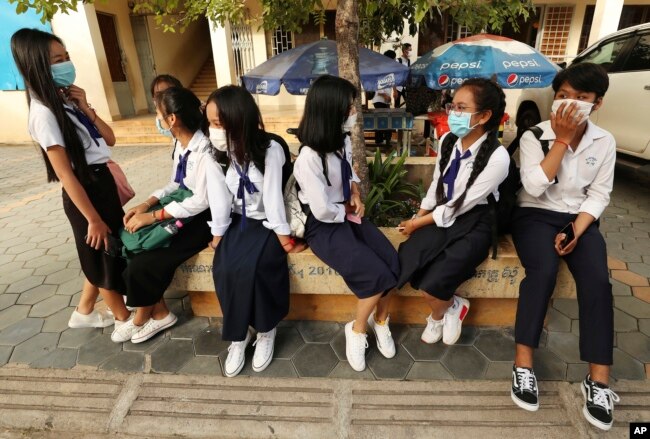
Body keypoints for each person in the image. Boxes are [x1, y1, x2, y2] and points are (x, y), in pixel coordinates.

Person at [510, 63, 618, 431]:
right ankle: (523, 365)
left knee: (598, 283)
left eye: (581, 98)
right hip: (535, 216)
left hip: (580, 218)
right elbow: (535, 187)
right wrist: (560, 140)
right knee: (542, 271)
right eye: (563, 96)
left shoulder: (604, 142)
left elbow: (600, 194)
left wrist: (577, 228)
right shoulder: (533, 136)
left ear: (597, 103)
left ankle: (599, 381)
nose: (570, 104)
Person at [10, 28, 131, 333]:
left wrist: (85, 107)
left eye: (66, 57)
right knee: (103, 254)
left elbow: (110, 138)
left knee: (98, 252)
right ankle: (124, 321)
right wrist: (92, 218)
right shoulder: (43, 114)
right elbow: (65, 174)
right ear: (37, 65)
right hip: (84, 190)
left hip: (100, 183)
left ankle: (84, 312)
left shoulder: (65, 102)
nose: (66, 64)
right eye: (57, 60)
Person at [293, 75, 400, 372]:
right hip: (324, 225)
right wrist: (348, 212)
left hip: (345, 213)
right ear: (331, 112)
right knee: (374, 274)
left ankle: (381, 322)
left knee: (392, 262)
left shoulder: (340, 141)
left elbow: (349, 171)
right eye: (349, 108)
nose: (354, 113)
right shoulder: (308, 158)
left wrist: (354, 192)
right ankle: (356, 330)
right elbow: (322, 210)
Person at [397, 78, 509, 345]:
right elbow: (438, 184)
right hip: (442, 213)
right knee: (411, 260)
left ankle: (439, 314)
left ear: (483, 116)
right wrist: (418, 216)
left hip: (476, 220)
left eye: (461, 107)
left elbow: (461, 204)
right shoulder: (448, 140)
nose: (453, 113)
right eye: (452, 106)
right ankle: (452, 305)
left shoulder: (497, 157)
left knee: (434, 282)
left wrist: (417, 224)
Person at [204, 85, 304, 378]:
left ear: (239, 119)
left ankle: (266, 330)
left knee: (261, 267)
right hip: (237, 222)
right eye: (210, 123)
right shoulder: (215, 155)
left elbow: (273, 197)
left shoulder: (269, 148)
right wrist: (218, 236)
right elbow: (220, 200)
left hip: (268, 223)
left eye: (219, 124)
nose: (214, 131)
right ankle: (238, 335)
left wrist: (283, 237)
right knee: (224, 269)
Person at [114, 87, 220, 343]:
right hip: (178, 209)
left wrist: (154, 216)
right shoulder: (181, 144)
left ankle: (142, 318)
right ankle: (158, 313)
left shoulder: (205, 150)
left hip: (201, 220)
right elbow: (176, 183)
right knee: (131, 243)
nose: (158, 120)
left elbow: (201, 200)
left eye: (160, 114)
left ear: (172, 119)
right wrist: (146, 204)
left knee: (146, 262)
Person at [371, 50, 397, 146]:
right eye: (394, 58)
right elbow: (377, 84)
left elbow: (391, 81)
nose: (395, 60)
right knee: (383, 121)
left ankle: (384, 141)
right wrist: (385, 95)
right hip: (379, 99)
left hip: (385, 99)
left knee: (385, 120)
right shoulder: (381, 68)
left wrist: (394, 90)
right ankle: (381, 142)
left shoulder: (388, 67)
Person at [394, 43, 411, 108]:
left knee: (409, 104)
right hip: (398, 87)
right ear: (404, 50)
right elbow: (394, 75)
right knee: (397, 105)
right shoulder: (398, 60)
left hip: (406, 87)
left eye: (410, 50)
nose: (410, 52)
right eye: (409, 50)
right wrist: (394, 90)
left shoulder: (409, 61)